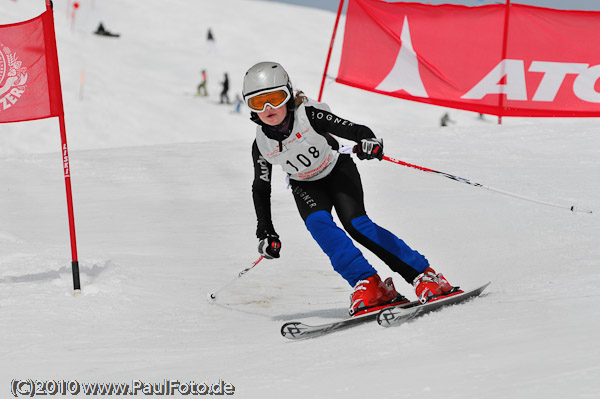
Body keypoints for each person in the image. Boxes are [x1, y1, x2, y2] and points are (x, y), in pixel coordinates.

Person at [243, 61, 457, 317]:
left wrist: (368, 141)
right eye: (258, 102)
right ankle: (371, 285)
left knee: (357, 225)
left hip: (337, 171)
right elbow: (260, 188)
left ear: (288, 95)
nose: (269, 108)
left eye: (276, 98)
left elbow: (353, 129)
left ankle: (424, 275)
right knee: (320, 226)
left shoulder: (310, 115)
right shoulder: (262, 145)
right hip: (305, 185)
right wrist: (266, 231)